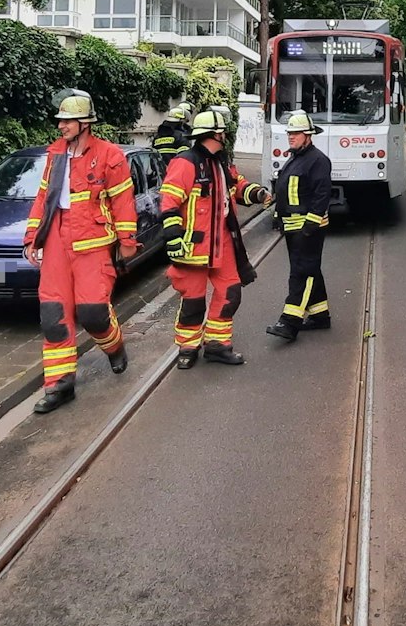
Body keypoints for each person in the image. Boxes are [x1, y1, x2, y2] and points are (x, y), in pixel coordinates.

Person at [24, 90, 139, 414]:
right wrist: (33, 237)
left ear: (84, 123)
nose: (61, 126)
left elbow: (122, 201)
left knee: (93, 314)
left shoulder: (109, 155)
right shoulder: (55, 154)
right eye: (60, 121)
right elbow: (43, 198)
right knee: (53, 318)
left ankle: (114, 346)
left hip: (93, 244)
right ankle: (60, 385)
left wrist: (127, 239)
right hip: (58, 243)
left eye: (67, 121)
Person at [158, 109, 269, 367]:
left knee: (231, 294)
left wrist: (259, 193)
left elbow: (238, 187)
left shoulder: (222, 162)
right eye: (222, 133)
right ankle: (187, 348)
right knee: (193, 302)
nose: (225, 136)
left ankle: (217, 345)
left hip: (223, 243)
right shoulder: (185, 163)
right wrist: (173, 237)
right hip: (194, 246)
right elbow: (169, 202)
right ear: (215, 134)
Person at [265, 111, 332, 344]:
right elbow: (284, 190)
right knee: (309, 269)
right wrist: (277, 215)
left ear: (308, 136)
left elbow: (322, 195)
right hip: (292, 227)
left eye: (296, 133)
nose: (291, 137)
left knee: (301, 273)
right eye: (290, 133)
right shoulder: (294, 158)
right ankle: (320, 315)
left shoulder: (318, 160)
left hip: (308, 227)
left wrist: (310, 225)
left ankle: (289, 322)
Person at [152, 102, 191, 168]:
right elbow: (186, 160)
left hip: (160, 175)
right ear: (180, 121)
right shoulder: (181, 137)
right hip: (175, 174)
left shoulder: (157, 138)